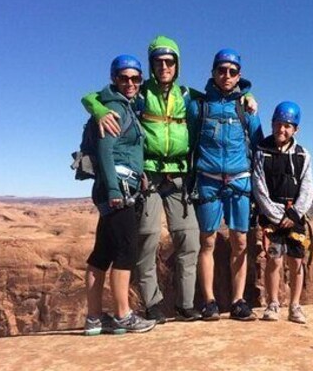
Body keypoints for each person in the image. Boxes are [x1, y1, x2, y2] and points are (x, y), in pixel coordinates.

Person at [83, 36, 257, 323]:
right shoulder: (139, 93)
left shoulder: (189, 96)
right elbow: (92, 96)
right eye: (159, 62)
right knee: (147, 239)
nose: (164, 66)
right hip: (148, 178)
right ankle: (153, 304)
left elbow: (223, 97)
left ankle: (186, 305)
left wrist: (247, 96)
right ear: (151, 65)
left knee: (189, 239)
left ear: (177, 65)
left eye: (170, 62)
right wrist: (98, 108)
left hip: (179, 178)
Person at [188, 49, 263, 321]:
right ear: (213, 72)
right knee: (207, 241)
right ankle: (209, 301)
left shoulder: (246, 108)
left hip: (239, 182)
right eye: (222, 70)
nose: (226, 75)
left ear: (239, 75)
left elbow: (258, 148)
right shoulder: (199, 106)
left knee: (240, 242)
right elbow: (190, 142)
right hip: (208, 181)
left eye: (232, 71)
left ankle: (238, 300)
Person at [84, 55, 156, 335]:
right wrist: (115, 189)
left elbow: (123, 150)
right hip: (118, 190)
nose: (130, 83)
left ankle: (93, 319)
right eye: (124, 78)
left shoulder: (122, 106)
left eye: (135, 78)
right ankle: (123, 315)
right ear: (114, 78)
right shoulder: (115, 108)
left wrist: (140, 174)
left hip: (119, 184)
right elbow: (105, 150)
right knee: (126, 251)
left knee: (102, 253)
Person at [252, 101, 313, 324]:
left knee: (296, 261)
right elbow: (258, 186)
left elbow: (307, 188)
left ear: (295, 129)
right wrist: (276, 216)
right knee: (274, 260)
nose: (282, 129)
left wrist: (295, 214)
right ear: (272, 124)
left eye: (287, 126)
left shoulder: (302, 155)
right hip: (272, 217)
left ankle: (295, 306)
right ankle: (273, 303)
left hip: (295, 216)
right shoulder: (262, 151)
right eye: (278, 124)